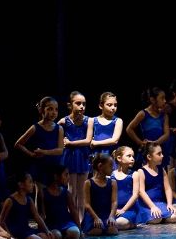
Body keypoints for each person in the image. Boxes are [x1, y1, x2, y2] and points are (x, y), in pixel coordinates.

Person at [14, 97, 64, 192]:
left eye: (56, 109)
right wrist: (31, 154)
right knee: (41, 195)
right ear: (41, 110)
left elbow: (60, 150)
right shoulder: (35, 128)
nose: (54, 112)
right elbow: (18, 144)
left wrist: (44, 152)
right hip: (40, 168)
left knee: (54, 195)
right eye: (50, 109)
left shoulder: (59, 129)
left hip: (54, 167)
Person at [58, 90, 93, 223]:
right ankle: (70, 220)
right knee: (71, 190)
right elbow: (57, 137)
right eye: (78, 103)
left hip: (82, 156)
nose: (81, 106)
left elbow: (88, 140)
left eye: (83, 104)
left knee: (81, 191)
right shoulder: (63, 121)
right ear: (70, 105)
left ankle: (81, 221)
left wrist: (71, 142)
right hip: (69, 157)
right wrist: (63, 143)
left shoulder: (88, 121)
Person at [126, 87, 170, 169]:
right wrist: (141, 143)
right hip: (147, 151)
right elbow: (129, 129)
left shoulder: (164, 115)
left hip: (160, 149)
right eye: (162, 98)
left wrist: (156, 143)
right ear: (153, 100)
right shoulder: (143, 113)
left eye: (165, 98)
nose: (165, 101)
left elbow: (167, 134)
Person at [0, 172, 52, 239]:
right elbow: (1, 221)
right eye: (30, 182)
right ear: (21, 185)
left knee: (47, 236)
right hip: (16, 232)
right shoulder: (10, 200)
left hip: (26, 229)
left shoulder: (29, 199)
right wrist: (10, 236)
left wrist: (47, 230)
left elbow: (37, 216)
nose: (33, 184)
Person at [136, 142, 176, 224]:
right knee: (156, 219)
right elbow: (141, 191)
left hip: (159, 203)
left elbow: (167, 189)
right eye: (159, 154)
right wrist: (152, 206)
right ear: (149, 157)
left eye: (162, 153)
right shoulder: (141, 171)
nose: (162, 156)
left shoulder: (162, 170)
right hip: (147, 204)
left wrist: (169, 204)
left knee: (174, 217)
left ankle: (163, 213)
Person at [38, 164, 81, 239]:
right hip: (51, 223)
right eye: (66, 175)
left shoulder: (66, 193)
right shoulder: (43, 193)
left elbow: (74, 211)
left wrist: (80, 230)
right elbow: (41, 214)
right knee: (57, 235)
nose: (68, 177)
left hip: (66, 222)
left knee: (75, 233)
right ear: (56, 176)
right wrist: (44, 230)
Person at [82, 153, 119, 236]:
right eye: (110, 165)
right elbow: (87, 204)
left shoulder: (113, 182)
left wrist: (111, 216)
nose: (113, 168)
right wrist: (96, 218)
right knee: (97, 231)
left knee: (112, 230)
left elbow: (114, 202)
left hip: (107, 214)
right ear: (100, 166)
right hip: (93, 215)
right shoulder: (88, 183)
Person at [110, 146, 139, 230]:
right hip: (114, 209)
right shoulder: (112, 175)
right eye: (129, 156)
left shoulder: (134, 174)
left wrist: (123, 210)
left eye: (133, 156)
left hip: (129, 209)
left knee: (119, 223)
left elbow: (135, 195)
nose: (132, 158)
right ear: (119, 158)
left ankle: (131, 223)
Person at [90, 92, 123, 162]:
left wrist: (95, 143)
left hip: (110, 154)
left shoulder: (118, 121)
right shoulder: (93, 120)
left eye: (115, 105)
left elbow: (114, 140)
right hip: (96, 153)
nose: (113, 108)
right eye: (109, 105)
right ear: (100, 106)